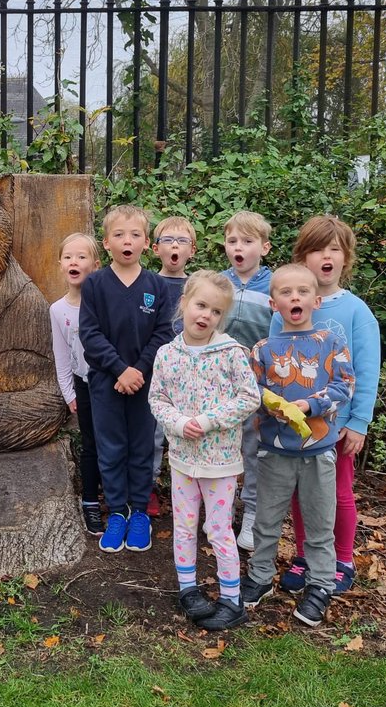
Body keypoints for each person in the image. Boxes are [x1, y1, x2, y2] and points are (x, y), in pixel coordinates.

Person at [242, 264, 355, 628]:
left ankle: (320, 585)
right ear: (273, 304)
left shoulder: (331, 343)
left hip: (318, 452)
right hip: (274, 451)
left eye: (302, 292)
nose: (295, 297)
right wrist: (272, 403)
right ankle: (260, 577)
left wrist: (310, 404)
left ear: (316, 300)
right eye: (286, 293)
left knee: (320, 524)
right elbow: (251, 390)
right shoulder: (262, 349)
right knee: (266, 520)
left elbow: (343, 386)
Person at [273, 215, 381, 595]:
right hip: (300, 426)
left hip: (340, 423)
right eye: (317, 248)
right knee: (303, 493)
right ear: (303, 256)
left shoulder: (355, 312)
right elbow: (273, 369)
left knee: (338, 493)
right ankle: (306, 556)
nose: (326, 256)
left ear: (345, 258)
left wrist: (359, 422)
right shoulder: (283, 309)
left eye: (334, 249)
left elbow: (367, 372)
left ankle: (342, 559)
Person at [150, 272, 260, 631]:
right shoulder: (167, 354)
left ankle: (232, 600)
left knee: (218, 529)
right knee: (183, 527)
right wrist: (179, 423)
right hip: (182, 460)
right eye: (200, 305)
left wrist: (210, 420)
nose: (205, 315)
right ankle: (188, 589)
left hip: (220, 463)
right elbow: (157, 398)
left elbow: (249, 397)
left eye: (215, 311)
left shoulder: (231, 353)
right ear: (183, 303)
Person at [79, 204, 176, 554]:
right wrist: (120, 369)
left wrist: (138, 370)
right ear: (106, 243)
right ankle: (117, 512)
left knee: (141, 447)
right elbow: (90, 334)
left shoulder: (156, 286)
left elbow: (163, 333)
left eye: (135, 234)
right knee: (111, 448)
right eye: (119, 234)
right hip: (106, 382)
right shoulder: (94, 285)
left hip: (146, 381)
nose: (127, 240)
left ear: (146, 244)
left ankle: (139, 513)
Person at [218, 210, 274, 552]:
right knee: (221, 448)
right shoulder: (218, 283)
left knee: (253, 450)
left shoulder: (275, 285)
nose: (239, 247)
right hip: (219, 384)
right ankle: (221, 514)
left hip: (257, 385)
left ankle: (252, 512)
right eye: (232, 241)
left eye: (248, 241)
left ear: (264, 248)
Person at [49, 232, 104, 535]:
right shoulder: (58, 310)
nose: (74, 261)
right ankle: (91, 501)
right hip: (83, 384)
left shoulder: (104, 303)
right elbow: (61, 354)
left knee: (115, 441)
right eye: (69, 257)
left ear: (95, 265)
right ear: (60, 264)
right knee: (90, 445)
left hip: (110, 382)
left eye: (81, 257)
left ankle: (122, 502)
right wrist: (68, 392)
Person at [148, 215, 197, 516]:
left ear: (192, 250)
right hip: (157, 371)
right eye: (168, 240)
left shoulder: (196, 285)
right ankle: (150, 486)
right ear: (155, 249)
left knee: (190, 432)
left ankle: (192, 491)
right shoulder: (148, 282)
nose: (175, 245)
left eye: (182, 241)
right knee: (153, 435)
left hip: (192, 373)